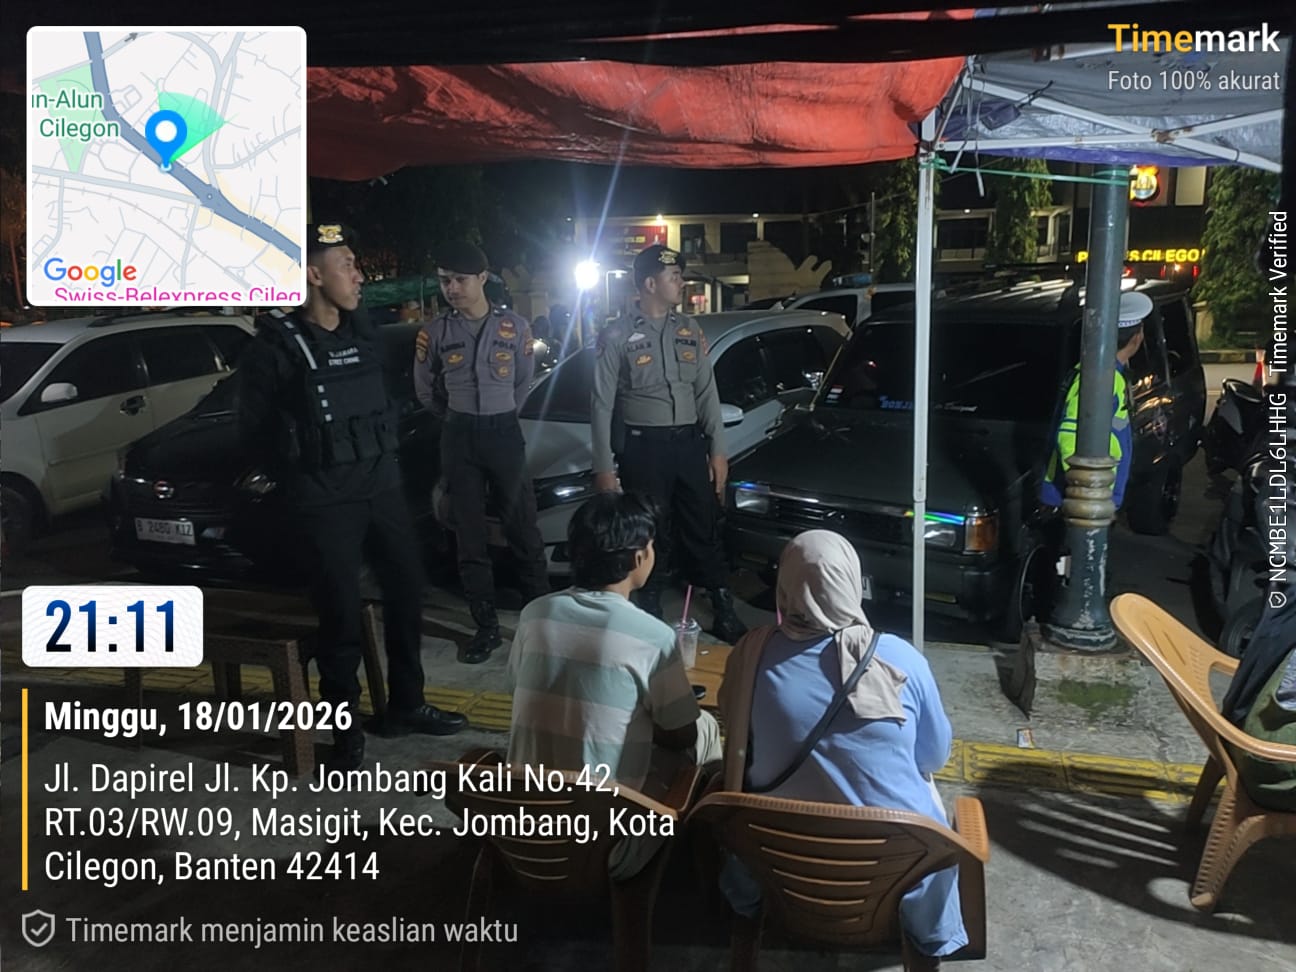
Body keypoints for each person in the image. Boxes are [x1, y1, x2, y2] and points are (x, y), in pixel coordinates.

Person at [237, 223, 467, 772]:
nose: (359, 276)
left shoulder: (362, 331)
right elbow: (253, 433)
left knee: (407, 593)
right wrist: (298, 476)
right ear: (314, 275)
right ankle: (345, 731)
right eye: (347, 265)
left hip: (380, 488)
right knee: (339, 617)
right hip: (324, 501)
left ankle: (407, 704)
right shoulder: (275, 348)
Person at [717, 530, 966, 964]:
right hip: (894, 869)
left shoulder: (751, 653)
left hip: (781, 865)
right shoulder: (900, 659)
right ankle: (926, 940)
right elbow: (934, 758)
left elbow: (735, 727)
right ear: (852, 583)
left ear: (784, 585)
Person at [508, 491, 722, 877]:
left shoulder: (534, 614)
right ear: (640, 557)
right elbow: (682, 736)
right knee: (705, 727)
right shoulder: (652, 636)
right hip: (605, 847)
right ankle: (704, 862)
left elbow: (517, 688)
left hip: (519, 830)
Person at [590, 244, 746, 643]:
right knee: (649, 530)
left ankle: (722, 604)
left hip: (689, 445)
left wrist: (718, 450)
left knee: (703, 524)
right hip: (644, 449)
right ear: (649, 283)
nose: (681, 282)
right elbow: (601, 404)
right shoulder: (616, 335)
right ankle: (650, 608)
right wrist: (603, 467)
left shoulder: (689, 330)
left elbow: (707, 393)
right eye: (673, 276)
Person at [414, 241, 549, 663]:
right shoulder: (435, 332)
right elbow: (424, 389)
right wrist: (457, 417)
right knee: (468, 535)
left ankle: (542, 625)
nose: (451, 288)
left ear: (482, 279)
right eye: (444, 281)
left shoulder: (515, 327)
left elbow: (522, 382)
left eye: (459, 280)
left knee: (522, 527)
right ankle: (486, 626)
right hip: (459, 435)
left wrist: (498, 412)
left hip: (503, 431)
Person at [1040, 290, 1153, 511]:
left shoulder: (1103, 372)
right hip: (1080, 501)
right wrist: (1092, 495)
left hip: (1083, 498)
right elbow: (1069, 435)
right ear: (1137, 337)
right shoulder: (1104, 379)